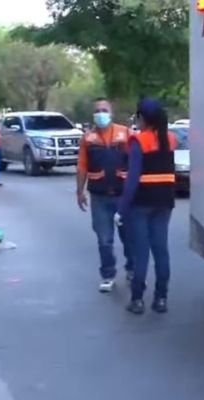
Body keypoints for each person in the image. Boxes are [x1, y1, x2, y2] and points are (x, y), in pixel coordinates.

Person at [117, 98, 178, 314]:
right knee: (161, 250)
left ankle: (137, 300)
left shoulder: (138, 141)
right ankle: (161, 299)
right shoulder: (170, 139)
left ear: (143, 118)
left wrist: (121, 210)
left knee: (141, 252)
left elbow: (132, 180)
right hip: (164, 202)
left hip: (141, 204)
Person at [76, 97, 135, 292]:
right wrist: (80, 191)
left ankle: (132, 268)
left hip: (123, 196)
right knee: (104, 240)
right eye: (97, 111)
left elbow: (137, 164)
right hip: (99, 197)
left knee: (129, 237)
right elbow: (82, 166)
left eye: (104, 110)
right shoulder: (88, 138)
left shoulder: (126, 134)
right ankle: (108, 275)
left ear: (111, 113)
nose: (100, 114)